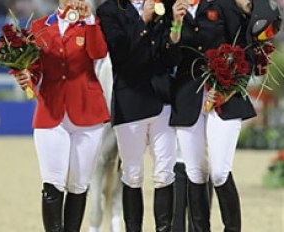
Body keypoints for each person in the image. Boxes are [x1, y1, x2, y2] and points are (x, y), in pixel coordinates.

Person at [14, 0, 110, 231]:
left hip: (88, 115)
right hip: (51, 114)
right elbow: (35, 69)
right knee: (52, 183)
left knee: (78, 185)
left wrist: (88, 20)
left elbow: (99, 52)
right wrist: (27, 77)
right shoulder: (39, 26)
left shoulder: (91, 24)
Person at [96, 0, 187, 231]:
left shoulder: (164, 5)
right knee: (132, 174)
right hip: (131, 103)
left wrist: (176, 25)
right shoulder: (109, 11)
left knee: (164, 174)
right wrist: (143, 21)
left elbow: (171, 58)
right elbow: (120, 54)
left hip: (162, 102)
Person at [170, 0, 257, 231]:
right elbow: (167, 56)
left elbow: (245, 50)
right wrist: (176, 24)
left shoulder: (223, 5)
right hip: (188, 97)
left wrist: (228, 90)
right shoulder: (172, 8)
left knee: (219, 171)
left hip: (223, 96)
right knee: (195, 173)